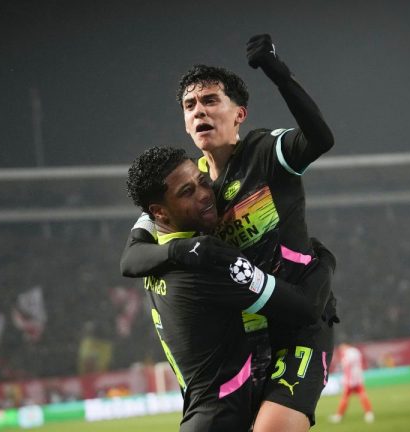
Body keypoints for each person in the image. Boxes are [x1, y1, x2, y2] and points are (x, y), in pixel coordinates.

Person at [120, 34, 338, 431]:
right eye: (190, 105)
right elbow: (133, 256)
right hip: (249, 337)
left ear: (239, 114)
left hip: (302, 322)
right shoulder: (190, 187)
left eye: (210, 100)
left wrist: (279, 73)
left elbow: (320, 139)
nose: (199, 110)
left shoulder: (265, 153)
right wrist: (182, 253)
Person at [126, 146, 335, 431]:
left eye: (203, 182)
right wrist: (326, 261)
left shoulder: (154, 246)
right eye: (187, 192)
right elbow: (306, 307)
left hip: (203, 415)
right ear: (160, 212)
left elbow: (130, 256)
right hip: (224, 417)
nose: (204, 194)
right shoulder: (210, 263)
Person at [329, 344, 374, 424]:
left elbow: (347, 367)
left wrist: (347, 380)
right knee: (362, 395)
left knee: (345, 398)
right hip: (358, 378)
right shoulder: (356, 351)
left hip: (351, 380)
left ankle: (339, 416)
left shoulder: (347, 354)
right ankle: (369, 413)